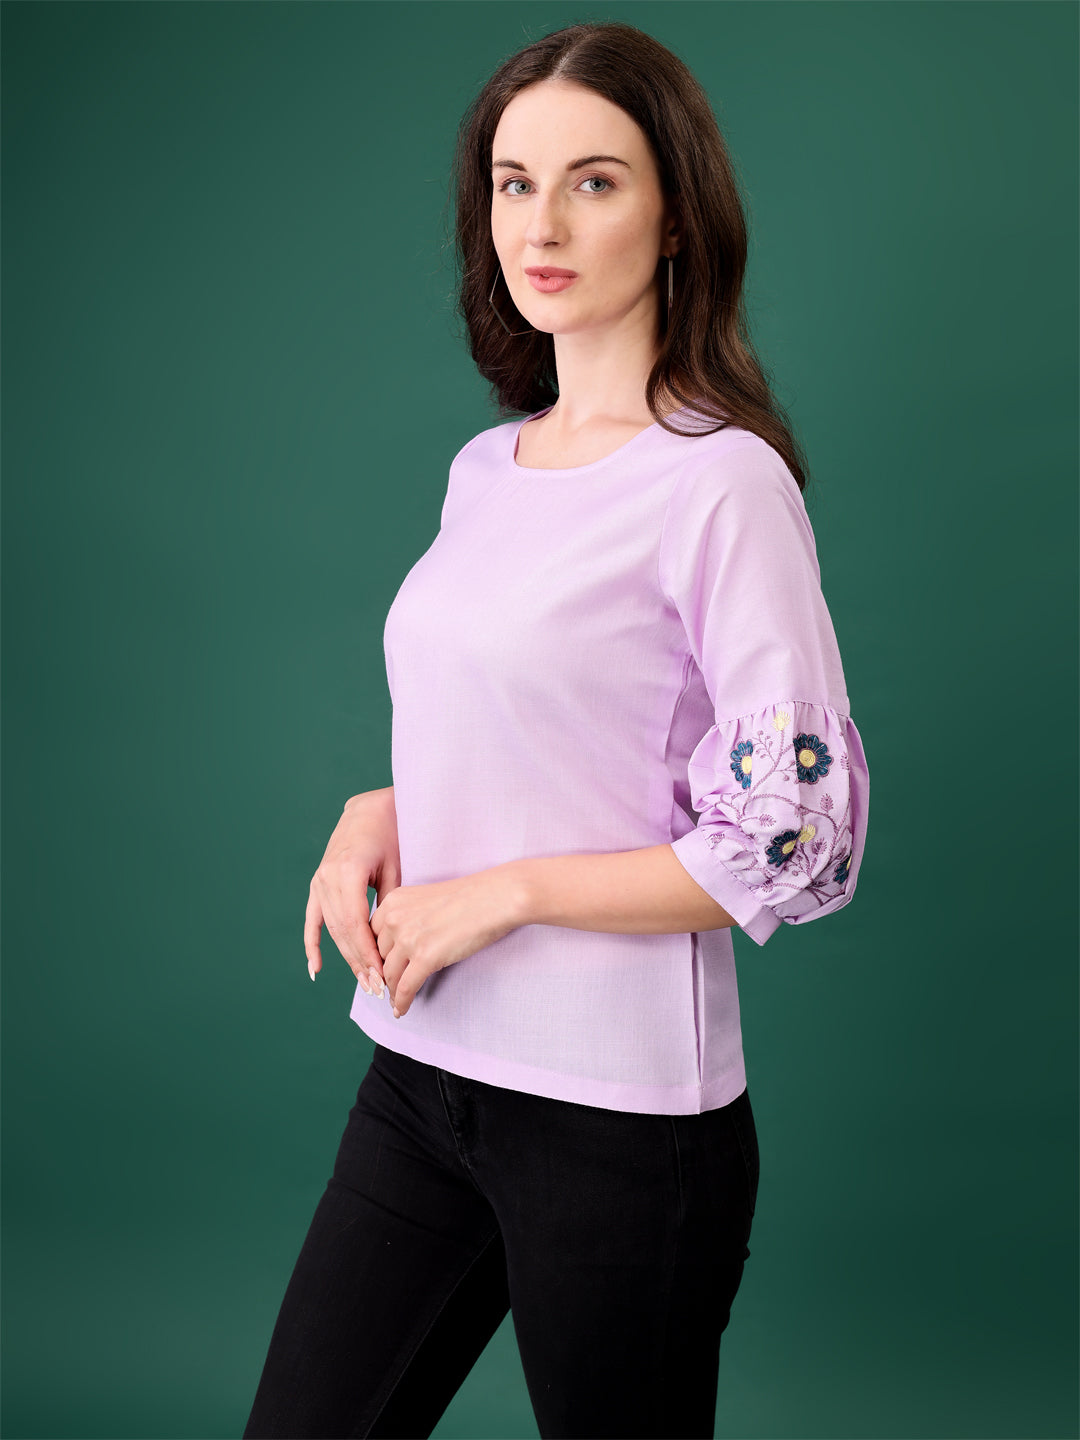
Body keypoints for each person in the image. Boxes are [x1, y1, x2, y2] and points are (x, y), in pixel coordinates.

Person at [242, 19, 870, 1440]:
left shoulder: (723, 484)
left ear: (677, 213)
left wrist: (505, 894)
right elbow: (530, 723)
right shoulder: (488, 466)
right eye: (514, 183)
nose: (543, 223)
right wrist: (383, 807)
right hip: (426, 1075)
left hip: (619, 1121)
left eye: (594, 181)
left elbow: (794, 837)